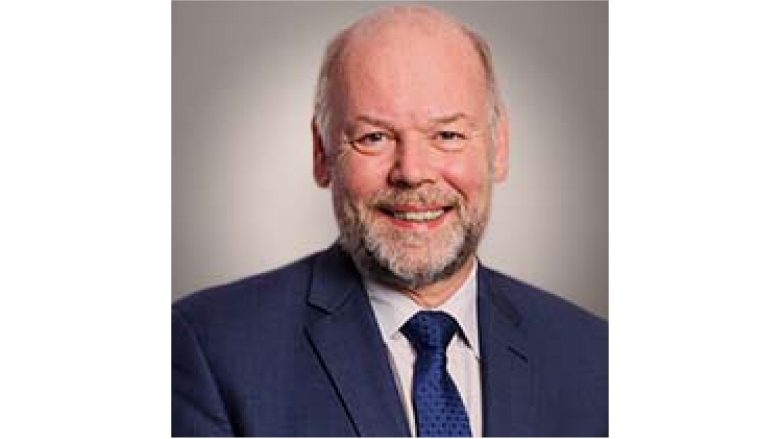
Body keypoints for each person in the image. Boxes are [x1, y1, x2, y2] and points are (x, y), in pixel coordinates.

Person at [172, 5, 607, 437]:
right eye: (374, 137)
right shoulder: (212, 350)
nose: (412, 171)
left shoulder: (596, 359)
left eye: (448, 135)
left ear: (498, 148)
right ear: (322, 153)